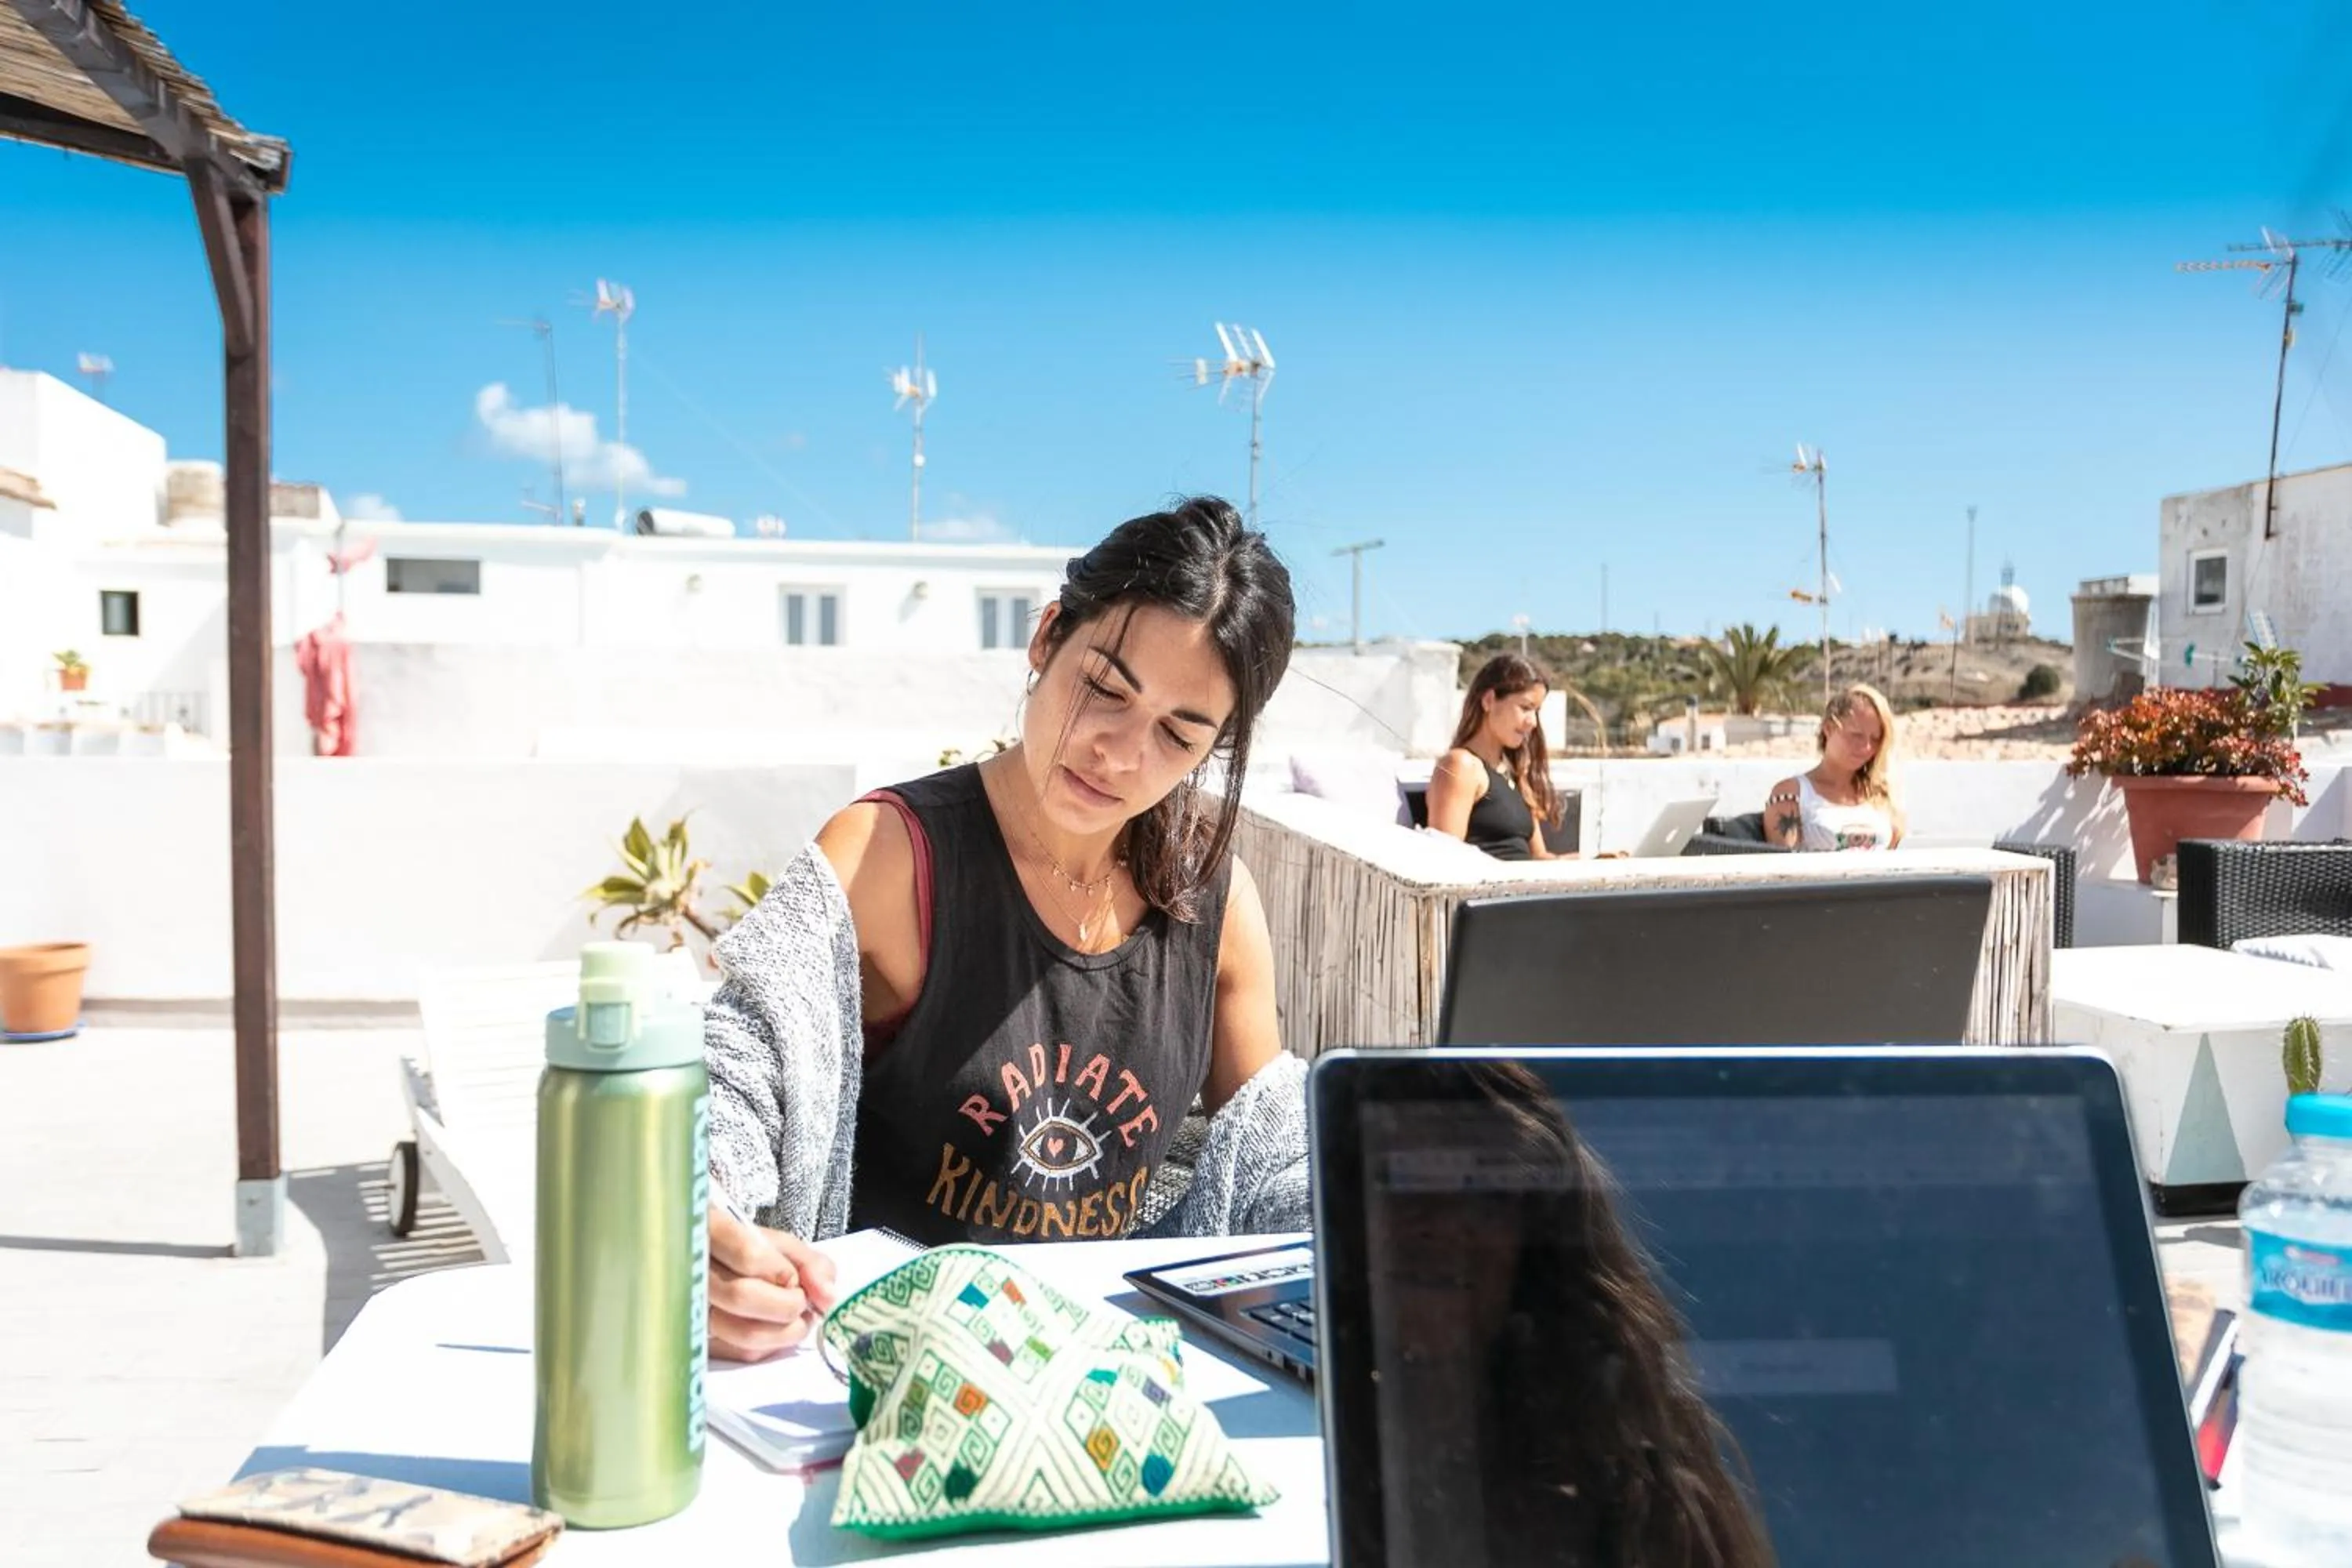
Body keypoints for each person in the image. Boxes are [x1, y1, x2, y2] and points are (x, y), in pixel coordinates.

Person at [702, 497, 1309, 1361]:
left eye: (1178, 736)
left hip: (1109, 1376)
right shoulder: (890, 855)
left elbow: (1270, 1159)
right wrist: (705, 1221)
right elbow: (731, 1076)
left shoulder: (1213, 903)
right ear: (1048, 636)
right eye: (1104, 689)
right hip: (888, 1366)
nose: (1120, 752)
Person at [1359, 1061, 1776, 1567]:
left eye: (1484, 1192)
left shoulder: (1613, 1463)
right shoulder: (1329, 1425)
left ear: (1533, 1245)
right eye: (1404, 1179)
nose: (1442, 1224)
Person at [1425, 654, 1570, 860]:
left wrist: (1593, 862)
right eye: (1525, 708)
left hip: (1527, 880)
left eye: (1536, 711)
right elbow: (1445, 860)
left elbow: (1539, 858)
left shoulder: (1514, 773)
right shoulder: (1461, 766)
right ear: (1489, 701)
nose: (1533, 722)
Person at [1761, 682, 1905, 851]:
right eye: (1856, 735)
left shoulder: (1879, 795)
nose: (1867, 747)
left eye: (1875, 739)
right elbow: (1786, 864)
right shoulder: (1791, 794)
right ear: (1828, 728)